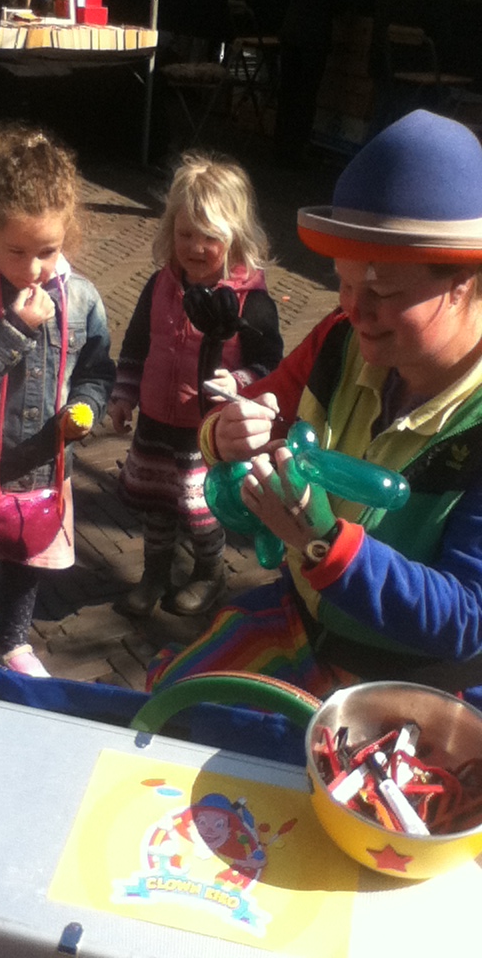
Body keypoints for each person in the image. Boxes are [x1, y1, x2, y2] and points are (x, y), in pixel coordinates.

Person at [147, 109, 482, 710]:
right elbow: (247, 416)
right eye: (344, 285)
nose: (354, 310)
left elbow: (465, 617)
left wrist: (326, 544)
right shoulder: (338, 340)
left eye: (379, 293)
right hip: (299, 626)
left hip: (413, 688)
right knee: (167, 713)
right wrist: (219, 438)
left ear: (463, 280)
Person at [0, 125, 115, 678]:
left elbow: (97, 368)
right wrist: (15, 329)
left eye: (46, 251)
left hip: (45, 461)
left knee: (29, 554)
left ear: (67, 236)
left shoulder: (84, 297)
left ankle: (14, 638)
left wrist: (90, 409)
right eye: (15, 251)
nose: (31, 269)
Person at [108, 152, 282, 618]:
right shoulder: (159, 286)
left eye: (210, 237)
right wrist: (123, 395)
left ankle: (209, 572)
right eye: (185, 234)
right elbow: (136, 344)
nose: (195, 247)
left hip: (207, 430)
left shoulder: (252, 303)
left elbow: (271, 365)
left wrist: (241, 380)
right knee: (157, 506)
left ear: (235, 237)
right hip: (156, 421)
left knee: (200, 510)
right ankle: (154, 572)